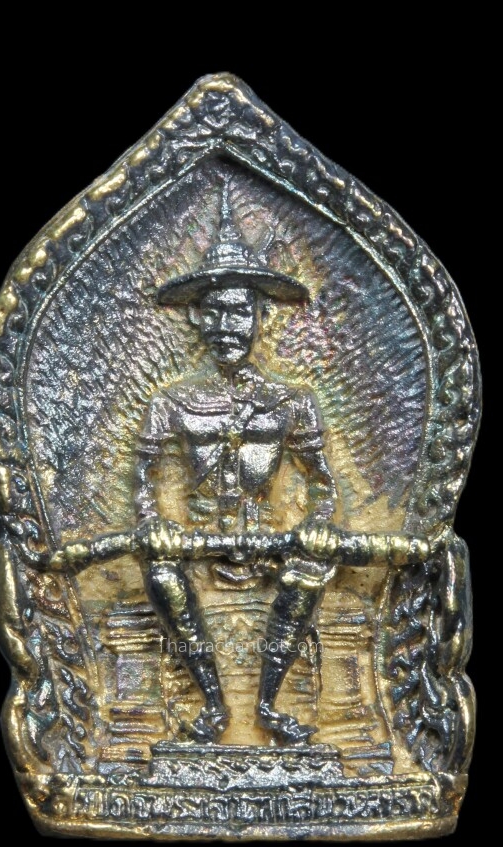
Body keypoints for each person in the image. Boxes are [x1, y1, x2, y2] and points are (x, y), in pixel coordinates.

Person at [136, 187, 337, 745]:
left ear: (260, 317)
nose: (228, 324)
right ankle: (212, 705)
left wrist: (317, 523)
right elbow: (144, 481)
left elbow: (322, 484)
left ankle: (269, 706)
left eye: (240, 311)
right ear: (197, 317)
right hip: (196, 544)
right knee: (161, 575)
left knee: (309, 573)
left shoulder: (292, 401)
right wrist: (153, 523)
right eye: (216, 311)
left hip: (271, 547)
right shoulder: (171, 402)